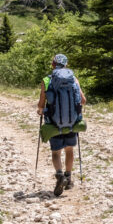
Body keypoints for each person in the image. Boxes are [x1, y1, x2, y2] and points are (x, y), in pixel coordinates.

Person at [37, 53, 87, 196]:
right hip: (72, 122)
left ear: (53, 64)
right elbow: (83, 101)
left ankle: (59, 175)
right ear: (66, 65)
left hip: (53, 123)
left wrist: (40, 110)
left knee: (56, 152)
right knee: (69, 150)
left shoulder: (47, 80)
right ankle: (69, 178)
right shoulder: (73, 79)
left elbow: (41, 103)